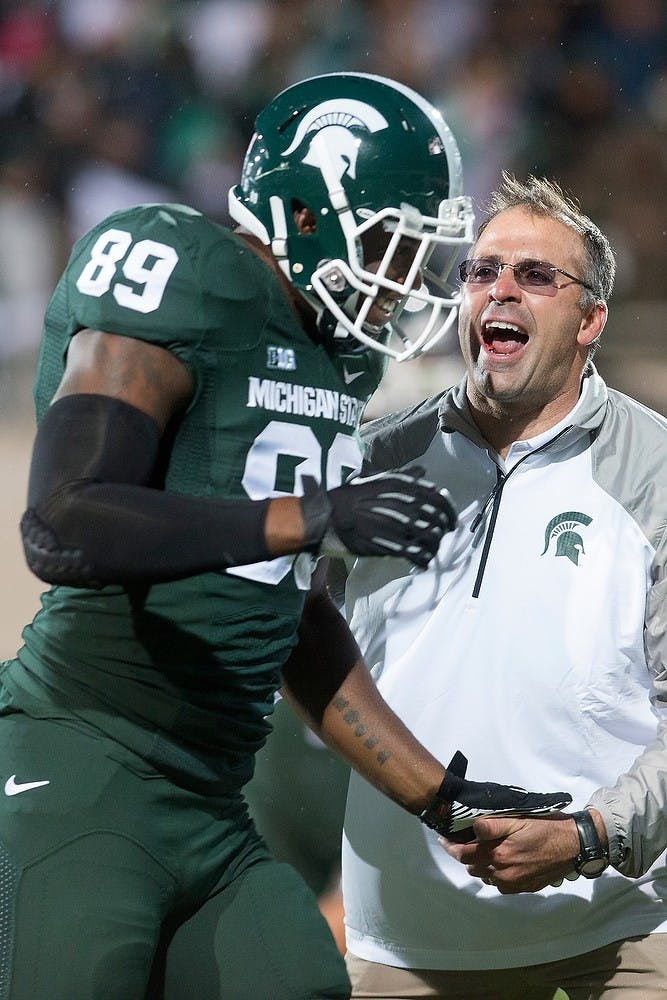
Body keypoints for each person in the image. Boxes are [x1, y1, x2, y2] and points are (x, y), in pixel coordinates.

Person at [0, 75, 569, 1000]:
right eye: (387, 237)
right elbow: (63, 520)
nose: (399, 274)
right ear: (305, 214)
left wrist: (441, 798)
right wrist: (311, 516)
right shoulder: (182, 271)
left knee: (298, 982)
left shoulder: (333, 354)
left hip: (211, 805)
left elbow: (290, 619)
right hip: (81, 764)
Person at [335, 173, 667, 998]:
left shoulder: (657, 473)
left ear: (590, 319)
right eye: (480, 272)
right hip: (411, 941)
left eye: (534, 275)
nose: (499, 290)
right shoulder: (370, 463)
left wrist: (588, 837)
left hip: (621, 922)